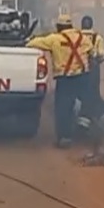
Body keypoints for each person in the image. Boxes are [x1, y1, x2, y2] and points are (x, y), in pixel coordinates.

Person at [26, 14, 92, 148]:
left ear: (59, 26)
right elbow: (92, 52)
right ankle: (83, 133)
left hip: (65, 80)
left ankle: (64, 137)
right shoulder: (83, 38)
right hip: (82, 78)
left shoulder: (54, 39)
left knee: (63, 108)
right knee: (86, 104)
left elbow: (31, 43)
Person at [78, 15, 104, 127]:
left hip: (79, 70)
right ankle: (103, 115)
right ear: (92, 25)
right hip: (94, 70)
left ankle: (84, 118)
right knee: (94, 92)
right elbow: (101, 54)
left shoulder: (77, 36)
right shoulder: (98, 37)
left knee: (81, 93)